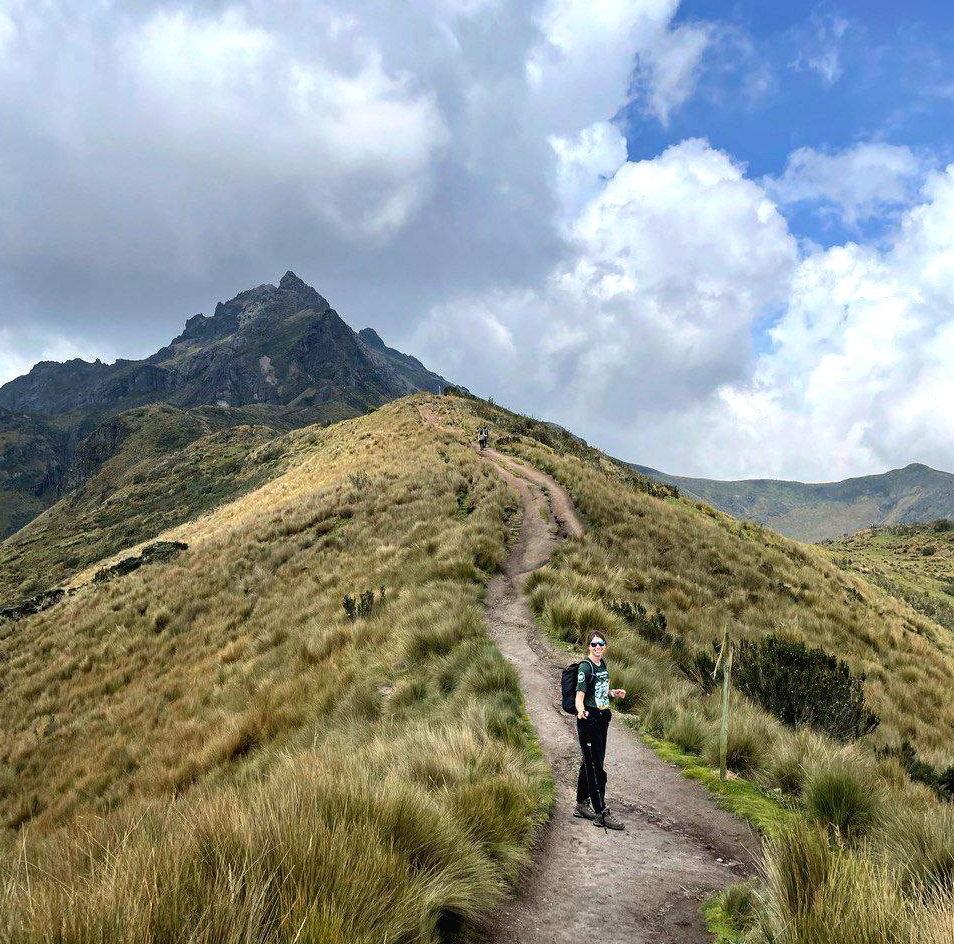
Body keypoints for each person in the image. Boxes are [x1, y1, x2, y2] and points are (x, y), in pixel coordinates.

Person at [574, 634, 626, 829]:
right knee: (596, 767)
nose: (598, 647)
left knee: (589, 762)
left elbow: (600, 692)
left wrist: (613, 693)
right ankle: (600, 812)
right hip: (589, 719)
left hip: (603, 717)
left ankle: (581, 805)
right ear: (589, 646)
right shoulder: (585, 667)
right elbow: (580, 696)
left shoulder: (602, 664)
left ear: (605, 646)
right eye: (594, 644)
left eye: (601, 644)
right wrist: (581, 711)